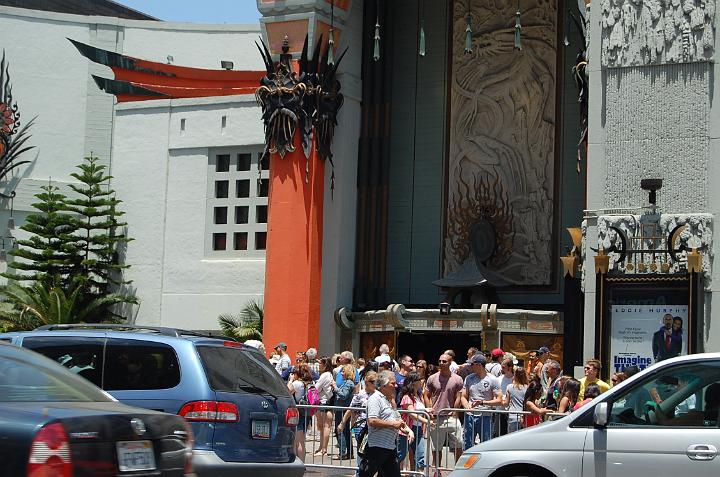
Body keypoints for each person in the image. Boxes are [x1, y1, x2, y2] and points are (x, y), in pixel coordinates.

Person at [359, 370, 413, 477]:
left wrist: (408, 430)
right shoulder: (375, 398)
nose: (396, 386)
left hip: (389, 447)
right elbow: (372, 421)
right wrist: (393, 424)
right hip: (377, 447)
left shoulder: (388, 400)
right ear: (383, 385)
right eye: (393, 383)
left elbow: (397, 419)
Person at [424, 353, 464, 469]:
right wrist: (429, 409)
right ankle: (437, 471)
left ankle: (458, 470)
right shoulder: (432, 378)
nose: (441, 363)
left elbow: (458, 396)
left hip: (451, 417)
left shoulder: (457, 379)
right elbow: (426, 395)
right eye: (440, 361)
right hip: (436, 417)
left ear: (450, 362)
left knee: (458, 445)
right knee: (436, 448)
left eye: (444, 361)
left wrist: (455, 411)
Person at [338, 370, 378, 475]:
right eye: (372, 382)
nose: (375, 384)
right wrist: (342, 423)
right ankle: (359, 473)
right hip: (361, 428)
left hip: (375, 428)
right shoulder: (360, 395)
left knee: (372, 453)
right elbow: (351, 408)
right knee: (362, 452)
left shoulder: (378, 395)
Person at [460, 353, 502, 449]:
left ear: (479, 365)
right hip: (470, 416)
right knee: (467, 443)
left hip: (485, 416)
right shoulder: (469, 378)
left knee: (486, 444)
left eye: (472, 364)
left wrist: (483, 402)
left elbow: (499, 400)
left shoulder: (492, 379)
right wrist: (466, 406)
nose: (470, 366)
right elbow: (463, 396)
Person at [397, 372, 428, 472]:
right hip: (407, 429)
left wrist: (427, 410)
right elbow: (412, 414)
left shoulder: (418, 395)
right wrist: (426, 420)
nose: (422, 381)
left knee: (420, 455)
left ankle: (420, 473)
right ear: (413, 382)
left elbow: (418, 409)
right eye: (419, 379)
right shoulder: (407, 397)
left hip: (418, 428)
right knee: (400, 454)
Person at [287, 363, 313, 460]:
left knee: (298, 442)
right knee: (301, 441)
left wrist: (290, 380)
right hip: (306, 414)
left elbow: (287, 391)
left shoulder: (297, 383)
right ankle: (301, 462)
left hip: (298, 414)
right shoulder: (310, 383)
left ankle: (300, 463)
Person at [314, 357, 337, 457]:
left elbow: (316, 389)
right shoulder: (329, 374)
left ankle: (323, 449)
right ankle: (321, 448)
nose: (318, 365)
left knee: (325, 426)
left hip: (324, 402)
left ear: (325, 365)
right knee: (324, 426)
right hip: (327, 402)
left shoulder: (325, 375)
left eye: (320, 363)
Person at [335, 363, 357, 459]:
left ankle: (343, 453)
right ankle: (349, 452)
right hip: (343, 409)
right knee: (346, 431)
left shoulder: (348, 383)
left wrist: (335, 388)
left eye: (343, 371)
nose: (341, 373)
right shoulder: (347, 382)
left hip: (343, 409)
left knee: (341, 430)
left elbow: (343, 395)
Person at [503, 367, 529, 433]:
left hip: (513, 416)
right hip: (524, 416)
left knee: (512, 437)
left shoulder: (510, 387)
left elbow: (506, 403)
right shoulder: (528, 388)